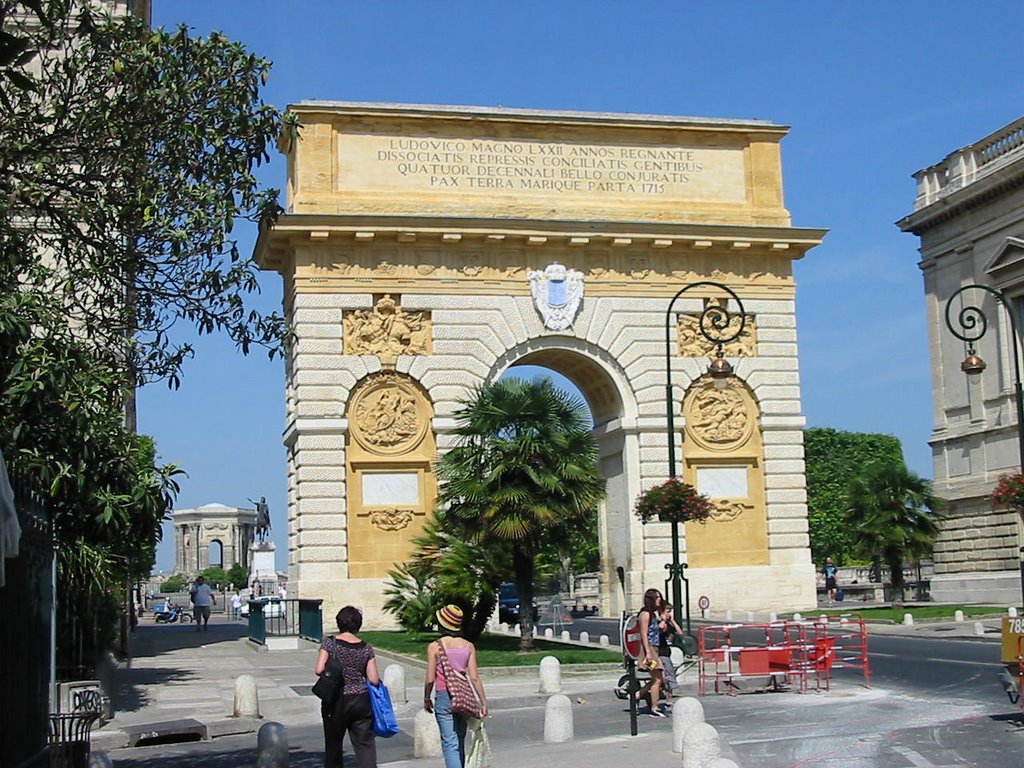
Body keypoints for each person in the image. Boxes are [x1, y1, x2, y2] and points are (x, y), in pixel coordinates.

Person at [424, 604, 489, 768]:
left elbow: (430, 679)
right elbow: (474, 677)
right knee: (459, 738)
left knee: (449, 742)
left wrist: (426, 698)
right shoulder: (468, 646)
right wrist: (483, 702)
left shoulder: (435, 647)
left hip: (444, 695)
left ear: (442, 624)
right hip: (463, 696)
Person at [316, 605, 380, 768]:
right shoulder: (366, 648)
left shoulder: (330, 643)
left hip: (335, 699)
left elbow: (319, 669)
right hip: (360, 700)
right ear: (358, 625)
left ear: (339, 623)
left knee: (334, 745)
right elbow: (373, 679)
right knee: (365, 745)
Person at [638, 588, 667, 717]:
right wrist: (648, 653)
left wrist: (662, 625)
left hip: (654, 647)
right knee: (657, 679)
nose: (659, 600)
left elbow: (653, 632)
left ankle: (637, 695)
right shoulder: (646, 614)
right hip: (648, 649)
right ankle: (654, 708)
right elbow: (644, 633)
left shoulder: (653, 614)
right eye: (657, 597)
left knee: (659, 678)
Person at [657, 602, 684, 708]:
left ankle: (669, 699)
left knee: (669, 675)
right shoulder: (658, 622)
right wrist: (663, 619)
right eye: (667, 612)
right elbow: (659, 630)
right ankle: (662, 698)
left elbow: (679, 632)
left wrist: (672, 620)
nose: (669, 614)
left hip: (666, 653)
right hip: (660, 653)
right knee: (666, 676)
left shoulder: (668, 624)